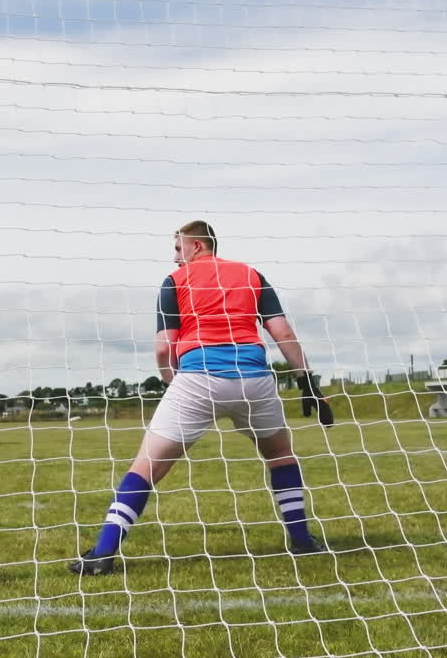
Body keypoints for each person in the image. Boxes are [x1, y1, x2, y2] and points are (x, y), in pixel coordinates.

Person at [70, 221, 334, 575]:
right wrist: (306, 381)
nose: (175, 256)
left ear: (196, 246)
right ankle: (302, 540)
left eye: (178, 248)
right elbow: (282, 331)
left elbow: (165, 347)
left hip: (198, 379)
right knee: (281, 456)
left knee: (145, 468)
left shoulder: (174, 281)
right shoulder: (251, 274)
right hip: (254, 379)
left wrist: (171, 381)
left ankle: (102, 554)